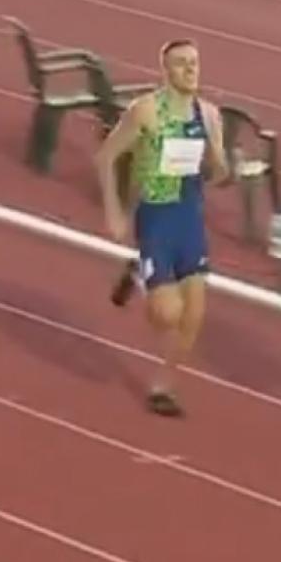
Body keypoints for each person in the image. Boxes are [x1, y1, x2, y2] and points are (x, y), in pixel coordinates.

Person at [95, 38, 230, 417]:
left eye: (194, 62)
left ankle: (163, 386)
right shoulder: (146, 112)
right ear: (166, 70)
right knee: (167, 315)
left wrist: (220, 164)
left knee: (193, 318)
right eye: (181, 63)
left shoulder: (209, 116)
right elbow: (105, 157)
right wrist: (114, 211)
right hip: (155, 218)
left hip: (190, 219)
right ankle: (140, 273)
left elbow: (218, 173)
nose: (190, 69)